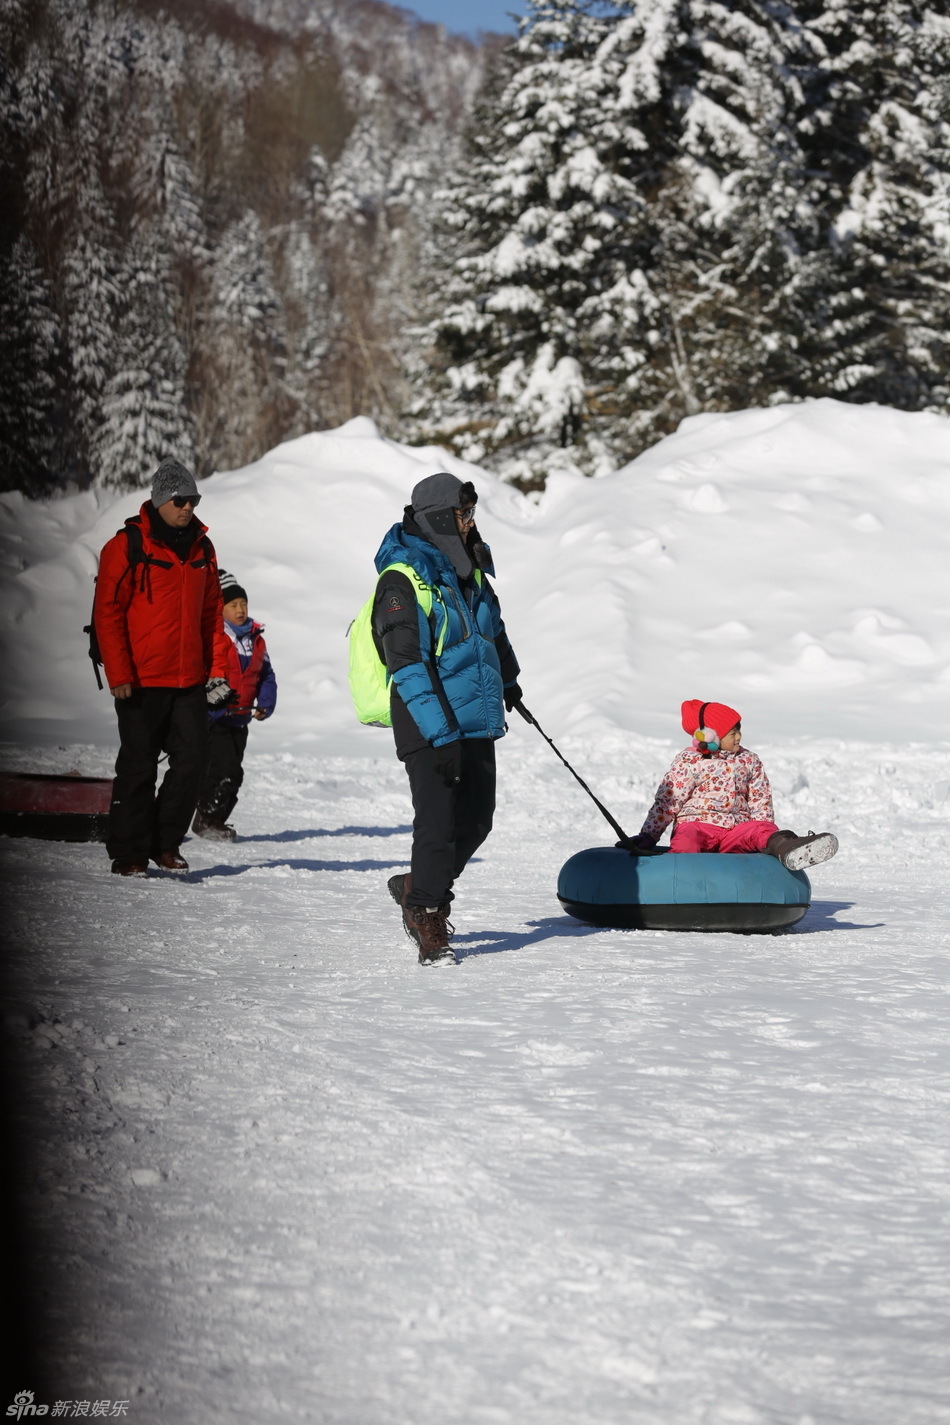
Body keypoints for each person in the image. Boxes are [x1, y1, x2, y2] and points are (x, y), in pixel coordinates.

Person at [372, 472, 522, 964]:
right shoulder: (402, 578)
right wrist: (438, 735)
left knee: (477, 819)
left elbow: (492, 633)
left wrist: (509, 679)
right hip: (426, 720)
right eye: (462, 514)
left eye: (471, 513)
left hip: (473, 714)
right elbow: (407, 664)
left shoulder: (469, 570)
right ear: (438, 516)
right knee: (437, 826)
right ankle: (425, 911)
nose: (469, 523)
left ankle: (419, 884)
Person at [92, 458, 233, 877]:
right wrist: (118, 673)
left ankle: (164, 843)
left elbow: (212, 615)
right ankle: (129, 852)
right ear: (159, 500)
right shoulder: (126, 545)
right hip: (139, 679)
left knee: (193, 760)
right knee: (138, 765)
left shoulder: (203, 548)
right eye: (180, 499)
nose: (188, 507)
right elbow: (108, 612)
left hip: (188, 678)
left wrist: (217, 671)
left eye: (193, 499)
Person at [627, 699, 839, 870]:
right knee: (687, 839)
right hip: (698, 825)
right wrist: (649, 834)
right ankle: (680, 876)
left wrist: (763, 830)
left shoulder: (749, 760)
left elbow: (760, 801)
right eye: (732, 733)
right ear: (711, 737)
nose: (739, 737)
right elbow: (668, 800)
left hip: (735, 830)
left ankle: (788, 848)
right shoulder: (690, 761)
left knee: (760, 830)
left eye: (739, 730)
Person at [191, 570, 277, 841]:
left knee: (232, 774)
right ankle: (206, 819)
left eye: (243, 604)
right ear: (221, 608)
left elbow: (266, 675)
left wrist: (265, 703)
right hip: (216, 719)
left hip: (241, 720)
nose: (240, 610)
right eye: (233, 605)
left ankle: (211, 819)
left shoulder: (255, 639)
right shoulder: (216, 637)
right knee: (223, 773)